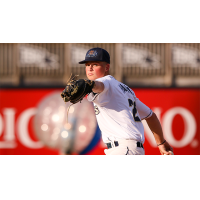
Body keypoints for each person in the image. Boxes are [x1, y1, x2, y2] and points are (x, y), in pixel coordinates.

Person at [78, 47, 173, 155]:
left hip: (123, 150)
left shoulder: (103, 82)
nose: (89, 68)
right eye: (87, 65)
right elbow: (151, 116)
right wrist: (161, 142)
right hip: (131, 150)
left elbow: (100, 85)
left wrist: (88, 84)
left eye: (95, 64)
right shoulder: (125, 89)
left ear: (106, 67)